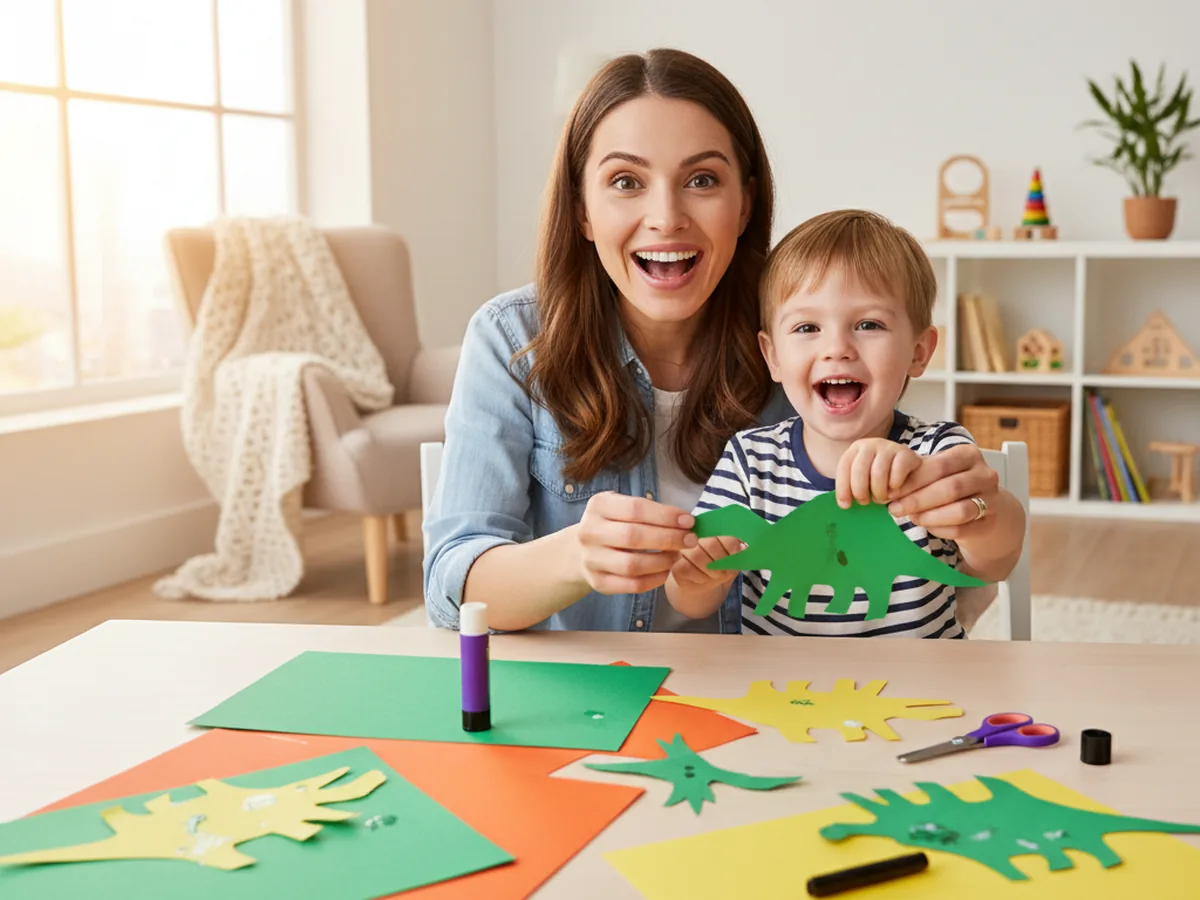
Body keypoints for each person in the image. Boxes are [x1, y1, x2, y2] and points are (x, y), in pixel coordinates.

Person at [423, 48, 792, 634]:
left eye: (702, 179)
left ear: (745, 203)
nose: (666, 217)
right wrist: (575, 557)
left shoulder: (803, 337)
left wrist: (976, 512)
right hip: (585, 706)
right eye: (626, 181)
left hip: (773, 700)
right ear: (582, 210)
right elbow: (454, 588)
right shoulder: (512, 338)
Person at [665, 209, 1024, 638]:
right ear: (773, 356)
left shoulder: (936, 452)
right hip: (783, 691)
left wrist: (975, 516)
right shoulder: (749, 459)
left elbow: (995, 563)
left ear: (919, 351)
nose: (837, 348)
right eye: (807, 327)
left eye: (868, 324)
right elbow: (688, 599)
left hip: (924, 686)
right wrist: (695, 579)